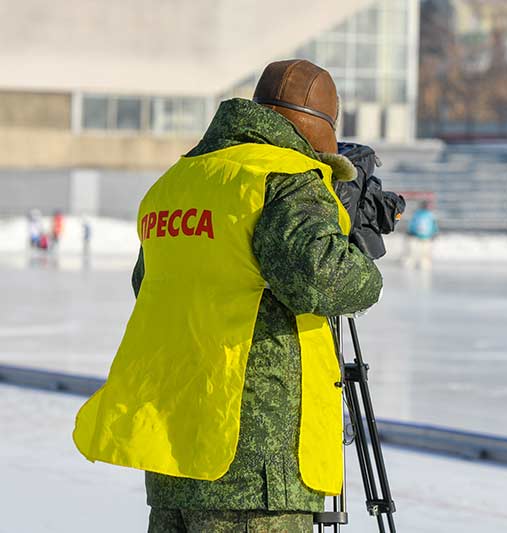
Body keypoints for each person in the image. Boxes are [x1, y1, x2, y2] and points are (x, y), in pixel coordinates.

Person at [73, 59, 383, 533]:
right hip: (257, 465)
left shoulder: (177, 183)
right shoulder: (283, 178)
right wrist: (356, 251)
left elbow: (148, 285)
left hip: (177, 452)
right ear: (316, 127)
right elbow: (324, 279)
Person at [404, 201, 438, 270]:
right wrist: (434, 233)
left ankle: (415, 265)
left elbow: (412, 224)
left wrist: (434, 233)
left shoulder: (421, 214)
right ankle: (416, 265)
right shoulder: (426, 214)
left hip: (421, 236)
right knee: (419, 253)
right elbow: (434, 226)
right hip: (421, 236)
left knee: (420, 253)